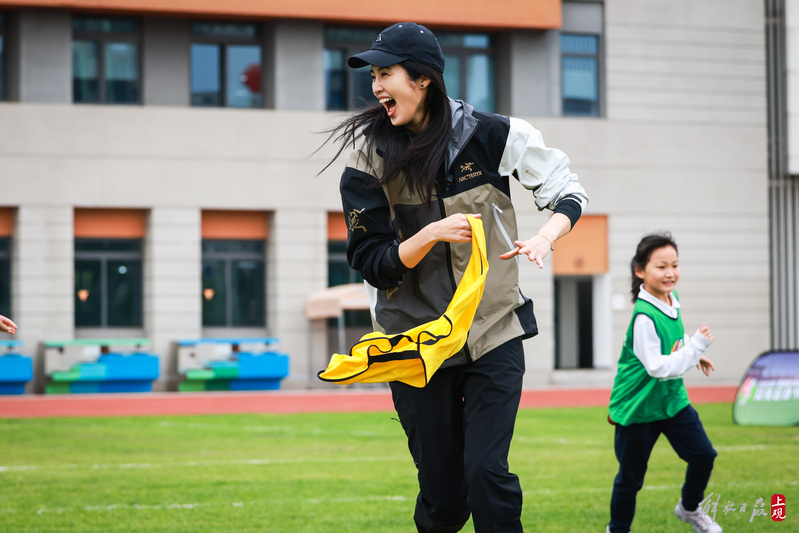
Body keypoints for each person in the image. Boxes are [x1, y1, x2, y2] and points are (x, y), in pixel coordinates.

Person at [321, 22, 588, 532]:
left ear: (422, 79)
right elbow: (371, 261)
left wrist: (546, 238)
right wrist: (429, 236)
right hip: (412, 342)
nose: (376, 86)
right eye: (373, 75)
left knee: (487, 475)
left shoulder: (493, 135)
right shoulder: (367, 157)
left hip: (493, 331)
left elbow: (567, 191)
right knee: (444, 501)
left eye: (386, 73)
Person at [607, 233, 721, 533]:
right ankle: (617, 530)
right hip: (638, 408)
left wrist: (691, 354)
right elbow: (657, 367)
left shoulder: (673, 299)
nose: (670, 273)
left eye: (675, 265)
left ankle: (689, 507)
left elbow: (673, 342)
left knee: (704, 456)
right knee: (630, 479)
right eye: (661, 266)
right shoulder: (644, 317)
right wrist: (696, 347)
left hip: (671, 401)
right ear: (640, 271)